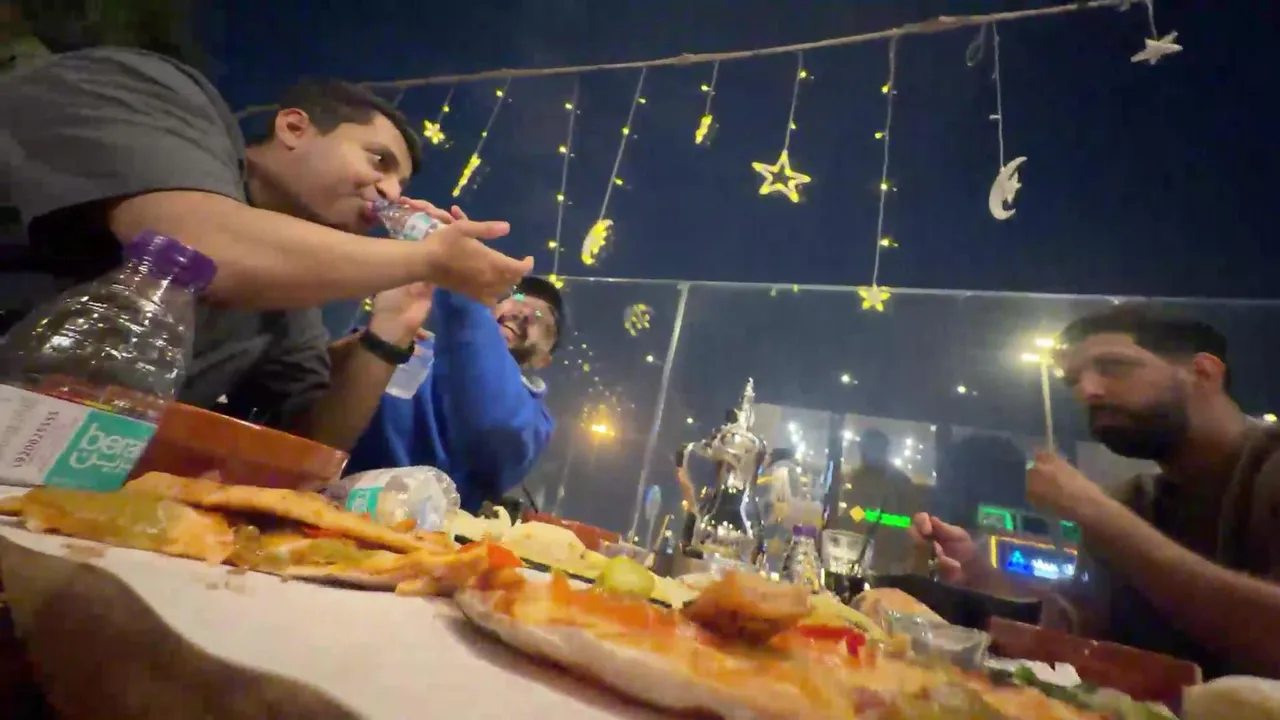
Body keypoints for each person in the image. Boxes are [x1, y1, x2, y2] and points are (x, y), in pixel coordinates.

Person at [0, 47, 532, 450]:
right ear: (294, 127)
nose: (392, 192)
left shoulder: (289, 300)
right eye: (378, 161)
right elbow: (195, 248)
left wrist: (390, 329)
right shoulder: (155, 92)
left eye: (400, 183)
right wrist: (427, 257)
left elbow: (310, 443)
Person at [910, 305, 1280, 678]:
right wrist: (978, 574)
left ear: (1203, 372)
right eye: (1075, 380)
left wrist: (1099, 514)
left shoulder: (1267, 469)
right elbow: (1076, 634)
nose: (1087, 391)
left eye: (1113, 367)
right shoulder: (1137, 499)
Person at [342, 266, 564, 512]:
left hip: (412, 530)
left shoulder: (533, 420)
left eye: (544, 319)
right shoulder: (415, 342)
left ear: (543, 360)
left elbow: (493, 425)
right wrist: (378, 339)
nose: (525, 312)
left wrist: (461, 285)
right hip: (325, 494)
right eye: (519, 298)